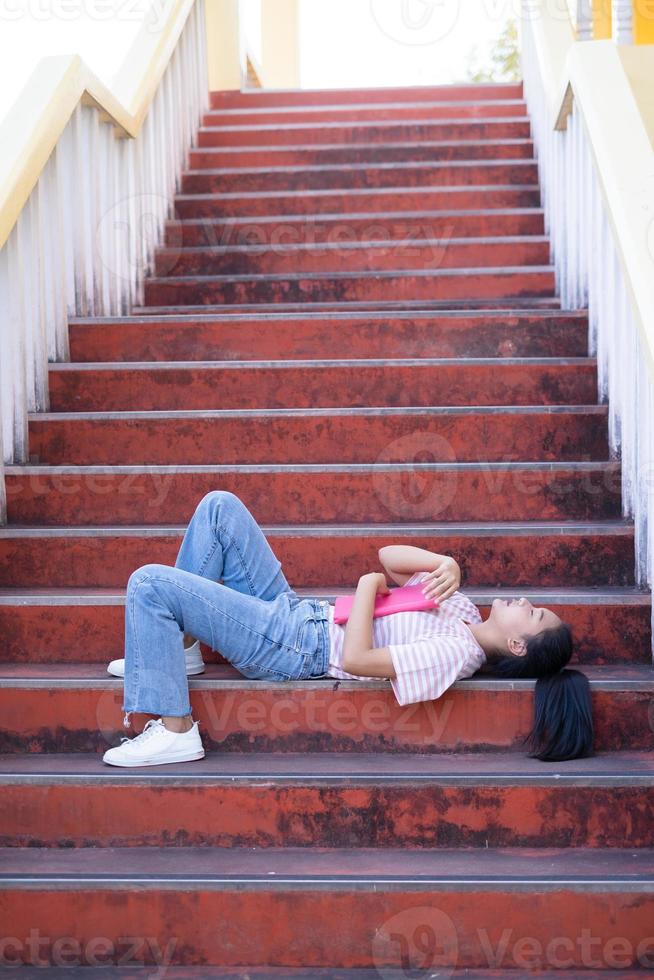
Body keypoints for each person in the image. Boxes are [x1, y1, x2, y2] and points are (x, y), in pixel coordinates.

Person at [102, 490, 593, 768]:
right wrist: (445, 562)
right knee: (219, 509)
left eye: (533, 615)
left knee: (148, 584)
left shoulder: (455, 655)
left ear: (516, 645)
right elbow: (390, 559)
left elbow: (358, 661)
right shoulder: (461, 608)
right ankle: (178, 651)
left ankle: (176, 728)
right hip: (299, 614)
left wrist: (365, 588)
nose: (527, 602)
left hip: (295, 647)